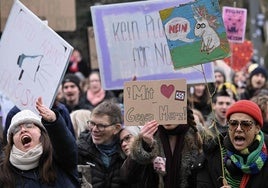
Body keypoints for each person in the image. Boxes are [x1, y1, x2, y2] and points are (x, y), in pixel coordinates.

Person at [0, 97, 80, 187]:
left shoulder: (60, 159)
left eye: (29, 125)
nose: (22, 130)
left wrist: (53, 121)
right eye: (16, 130)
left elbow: (66, 146)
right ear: (12, 141)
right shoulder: (4, 173)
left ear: (41, 133)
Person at [122, 106, 205, 188]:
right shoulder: (151, 135)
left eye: (171, 111)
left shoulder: (197, 135)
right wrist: (145, 145)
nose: (167, 117)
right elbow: (128, 177)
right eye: (163, 111)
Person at [197, 100, 268, 187]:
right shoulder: (212, 154)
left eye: (245, 124)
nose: (238, 129)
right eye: (233, 123)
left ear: (257, 128)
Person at [77, 100, 126, 188]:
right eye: (92, 123)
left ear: (116, 128)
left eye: (101, 126)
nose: (95, 129)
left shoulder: (126, 151)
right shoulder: (80, 150)